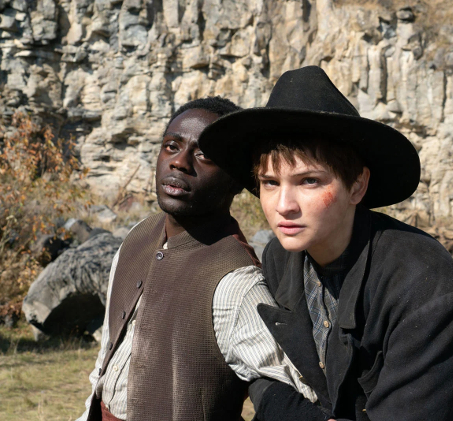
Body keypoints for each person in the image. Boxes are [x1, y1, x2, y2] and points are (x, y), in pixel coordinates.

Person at [199, 67, 453, 420]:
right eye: (270, 182)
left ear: (357, 186)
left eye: (309, 181)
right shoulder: (280, 259)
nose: (284, 205)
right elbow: (276, 373)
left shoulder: (421, 280)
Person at [77, 97, 319, 421]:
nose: (179, 162)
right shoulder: (137, 237)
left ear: (235, 180)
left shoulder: (235, 282)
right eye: (171, 146)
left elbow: (293, 393)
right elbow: (106, 355)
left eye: (204, 155)